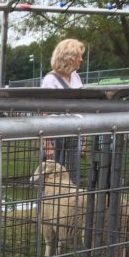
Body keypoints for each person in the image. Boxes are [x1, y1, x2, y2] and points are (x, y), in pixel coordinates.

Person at [40, 38, 87, 183]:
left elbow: (81, 107)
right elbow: (43, 113)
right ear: (70, 57)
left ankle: (72, 204)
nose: (81, 59)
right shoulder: (50, 80)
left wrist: (84, 137)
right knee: (52, 178)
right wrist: (47, 144)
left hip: (74, 133)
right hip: (56, 135)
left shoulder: (75, 77)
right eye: (79, 56)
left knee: (72, 177)